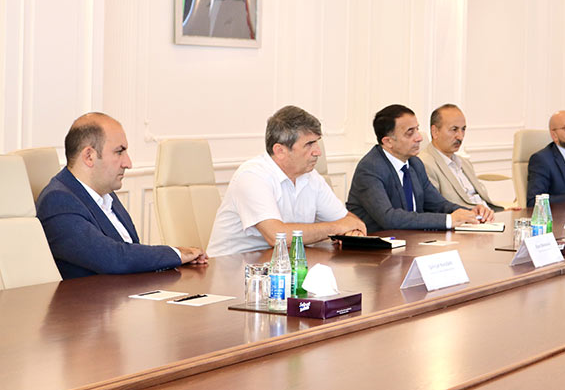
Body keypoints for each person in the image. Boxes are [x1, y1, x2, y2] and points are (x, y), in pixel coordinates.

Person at [36, 113, 208, 279]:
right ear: (89, 156)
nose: (128, 163)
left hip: (129, 293)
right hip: (93, 299)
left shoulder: (106, 193)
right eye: (119, 152)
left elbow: (131, 249)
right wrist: (176, 254)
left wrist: (177, 257)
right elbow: (114, 258)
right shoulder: (58, 201)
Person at [206, 106, 366, 257]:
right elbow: (277, 237)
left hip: (282, 265)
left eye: (317, 142)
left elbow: (350, 221)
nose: (318, 152)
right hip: (232, 268)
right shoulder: (252, 176)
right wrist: (337, 228)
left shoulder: (311, 177)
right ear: (280, 151)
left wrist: (352, 230)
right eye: (309, 144)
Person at [347, 104, 493, 233]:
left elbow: (438, 204)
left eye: (417, 129)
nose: (419, 138)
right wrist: (449, 220)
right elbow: (389, 218)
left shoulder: (415, 164)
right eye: (410, 133)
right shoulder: (370, 169)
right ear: (388, 141)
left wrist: (471, 212)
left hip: (412, 242)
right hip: (376, 249)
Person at [419, 104, 503, 212]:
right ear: (435, 131)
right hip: (466, 219)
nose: (460, 136)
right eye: (454, 129)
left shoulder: (464, 163)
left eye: (463, 129)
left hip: (490, 215)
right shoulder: (424, 164)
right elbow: (435, 208)